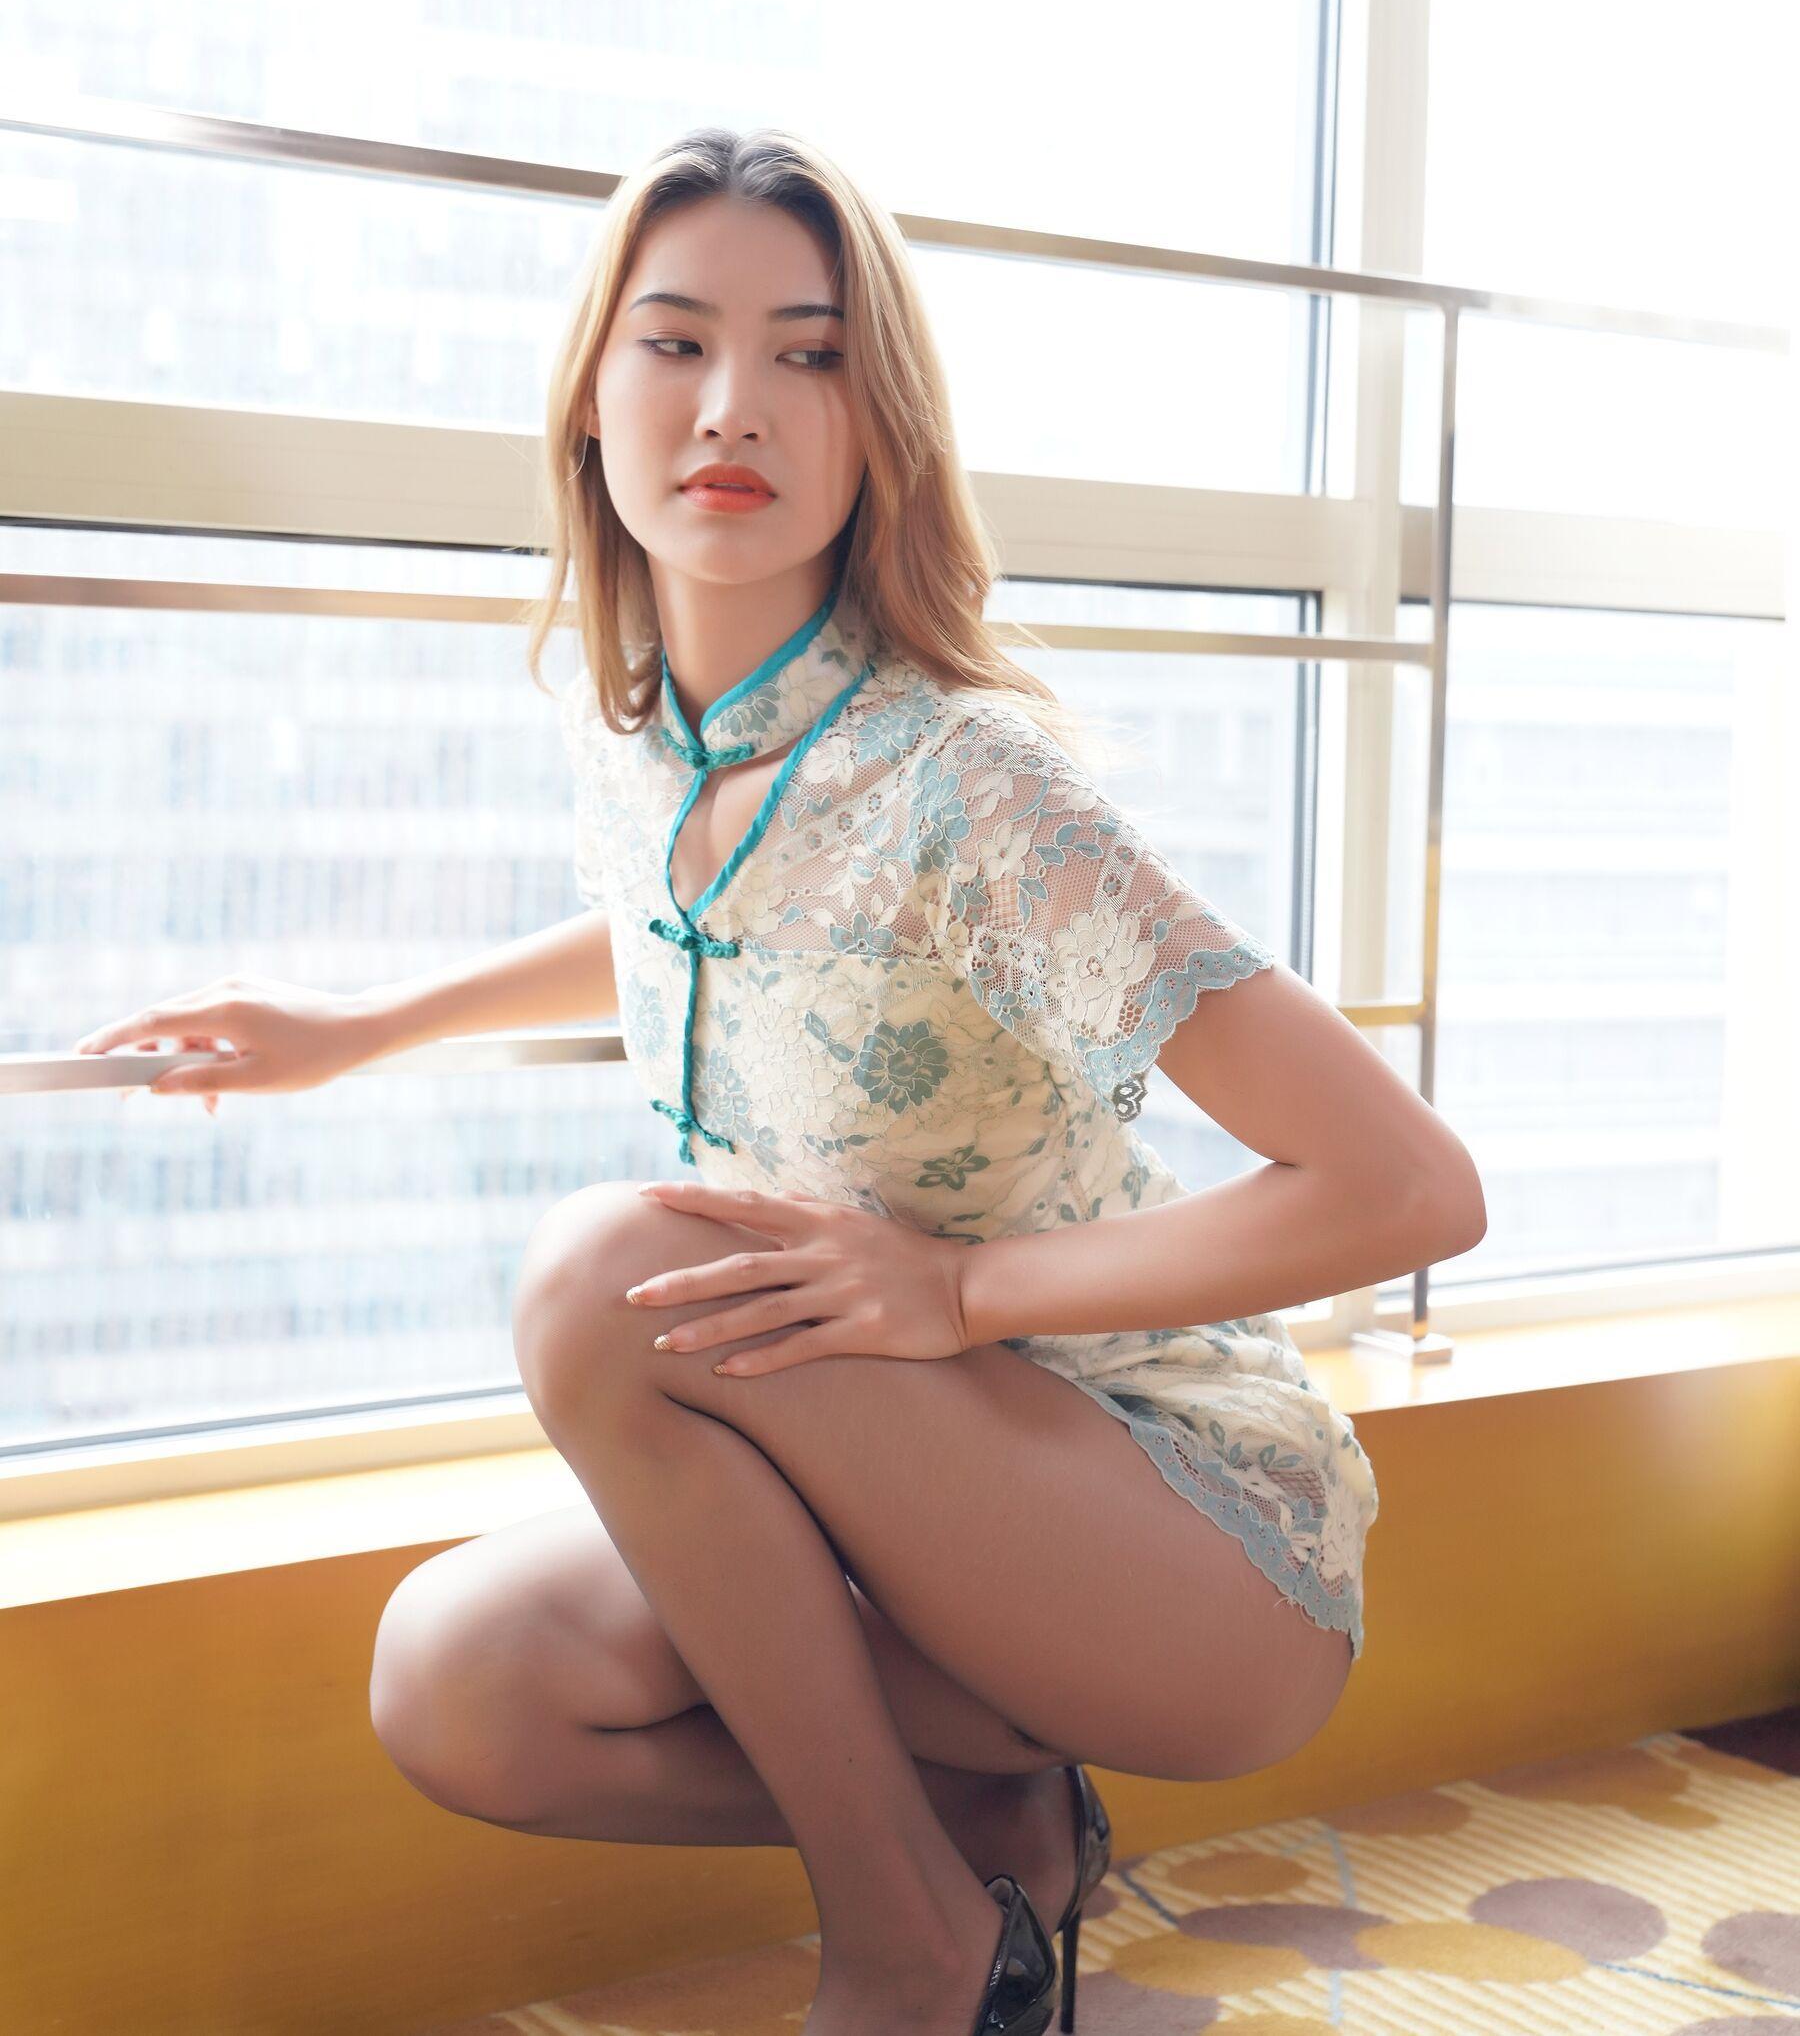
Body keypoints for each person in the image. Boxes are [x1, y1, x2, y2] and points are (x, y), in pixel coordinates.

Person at [77, 124, 1485, 2036]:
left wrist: (963, 1292)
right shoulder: (650, 741)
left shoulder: (969, 784)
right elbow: (695, 919)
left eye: (808, 356)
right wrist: (359, 1027)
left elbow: (1410, 1187)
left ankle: (901, 1942)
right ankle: (987, 1846)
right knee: (459, 1684)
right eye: (676, 342)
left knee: (608, 1274)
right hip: (906, 1536)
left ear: (877, 424)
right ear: (590, 399)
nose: (733, 403)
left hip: (1183, 1550)